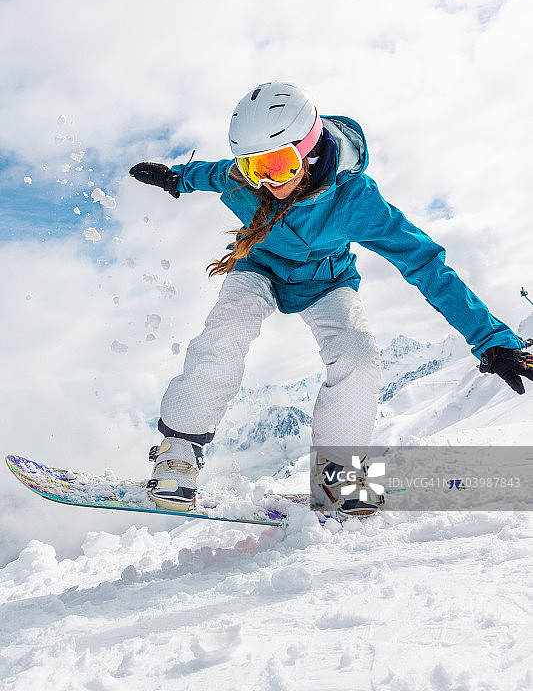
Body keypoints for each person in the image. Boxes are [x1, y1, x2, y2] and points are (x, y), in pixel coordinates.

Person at [130, 81, 533, 516]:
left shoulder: (354, 198)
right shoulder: (240, 180)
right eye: (252, 167)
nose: (265, 180)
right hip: (258, 268)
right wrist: (175, 179)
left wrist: (490, 337)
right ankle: (180, 450)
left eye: (280, 164)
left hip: (327, 282)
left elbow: (425, 264)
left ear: (309, 148)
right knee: (226, 329)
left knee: (359, 354)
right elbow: (207, 174)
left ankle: (343, 470)